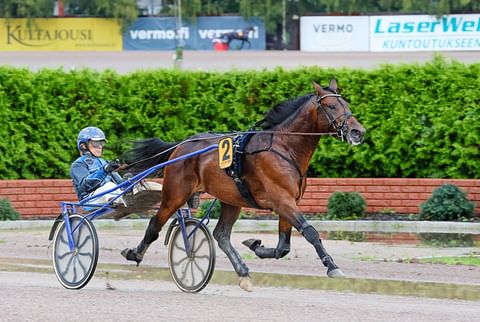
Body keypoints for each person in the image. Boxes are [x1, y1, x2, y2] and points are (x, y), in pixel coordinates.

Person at [70, 126, 162, 211]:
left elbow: (119, 184)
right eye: (95, 143)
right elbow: (85, 185)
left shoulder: (104, 162)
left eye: (101, 143)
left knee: (141, 186)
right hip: (89, 200)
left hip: (111, 194)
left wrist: (133, 179)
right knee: (109, 186)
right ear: (83, 146)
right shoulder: (78, 164)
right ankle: (124, 200)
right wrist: (104, 170)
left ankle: (167, 193)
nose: (100, 146)